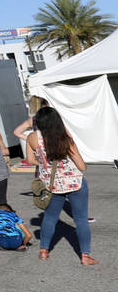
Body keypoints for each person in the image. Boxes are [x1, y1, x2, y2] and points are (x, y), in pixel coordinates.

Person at [28, 106, 97, 265]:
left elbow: (30, 160)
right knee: (81, 220)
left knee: (50, 218)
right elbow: (82, 166)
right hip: (75, 183)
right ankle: (85, 256)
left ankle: (44, 251)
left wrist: (45, 163)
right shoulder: (65, 138)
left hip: (51, 185)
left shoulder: (32, 137)